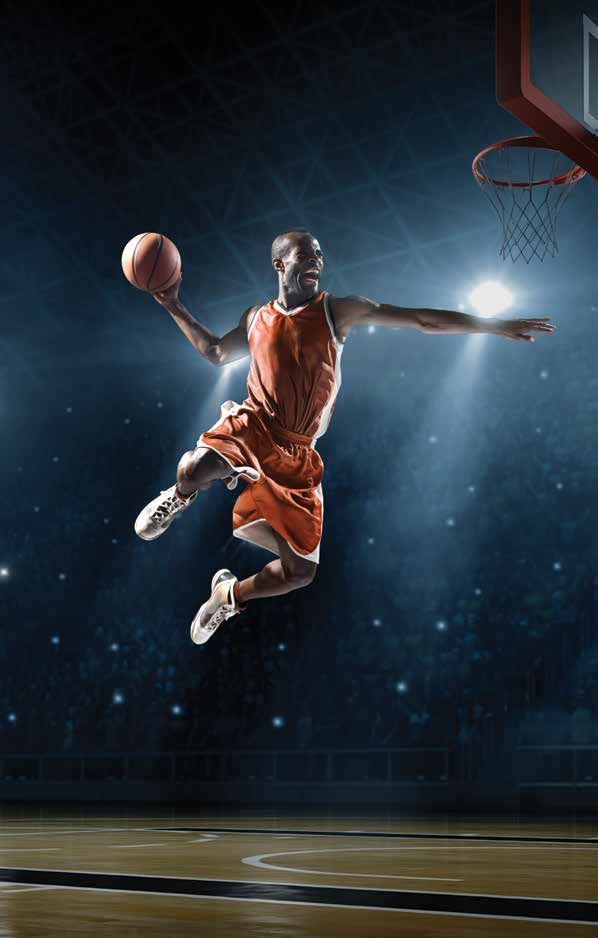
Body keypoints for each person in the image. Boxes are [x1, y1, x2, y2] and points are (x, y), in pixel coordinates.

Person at [134, 229, 555, 644]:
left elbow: (422, 320)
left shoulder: (338, 310)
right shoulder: (256, 317)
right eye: (305, 255)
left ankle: (228, 596)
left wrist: (493, 325)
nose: (316, 261)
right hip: (256, 423)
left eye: (319, 254)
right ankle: (178, 497)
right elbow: (216, 353)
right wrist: (173, 305)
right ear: (280, 264)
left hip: (299, 452)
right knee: (196, 466)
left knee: (300, 574)